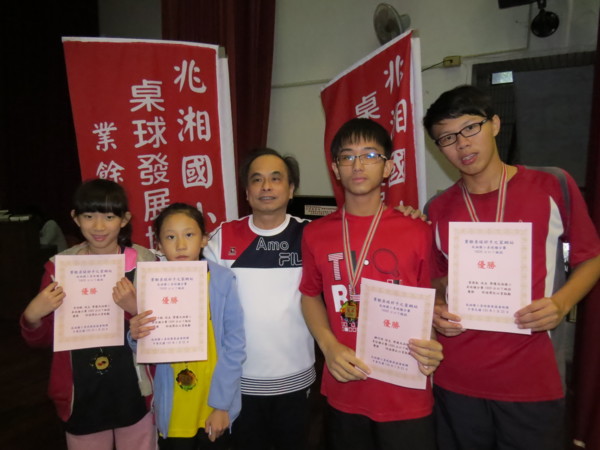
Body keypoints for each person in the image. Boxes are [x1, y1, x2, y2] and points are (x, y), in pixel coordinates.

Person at [423, 84, 600, 450]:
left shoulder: (552, 184)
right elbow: (436, 279)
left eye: (470, 128)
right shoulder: (437, 208)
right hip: (457, 380)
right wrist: (437, 308)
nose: (462, 144)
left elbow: (591, 258)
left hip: (532, 378)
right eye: (447, 138)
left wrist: (561, 303)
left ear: (495, 124)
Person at [299, 118, 443, 450]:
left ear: (388, 167)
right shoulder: (315, 233)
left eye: (370, 155)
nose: (358, 164)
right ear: (335, 169)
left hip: (405, 388)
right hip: (345, 385)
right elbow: (309, 295)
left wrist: (433, 344)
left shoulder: (418, 230)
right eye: (347, 156)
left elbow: (430, 299)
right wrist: (328, 346)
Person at [20, 178, 157, 450]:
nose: (98, 226)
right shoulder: (58, 269)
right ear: (75, 218)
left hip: (134, 389)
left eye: (109, 217)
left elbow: (164, 333)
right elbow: (44, 339)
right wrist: (32, 318)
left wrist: (134, 309)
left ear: (124, 219)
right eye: (89, 216)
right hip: (81, 393)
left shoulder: (144, 263)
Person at [203, 148, 315, 450]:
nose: (266, 186)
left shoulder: (310, 235)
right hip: (238, 381)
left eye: (276, 179)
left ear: (291, 189)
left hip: (295, 379)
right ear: (247, 192)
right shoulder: (223, 238)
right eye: (257, 179)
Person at [128, 203, 246, 449]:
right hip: (174, 406)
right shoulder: (153, 282)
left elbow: (234, 347)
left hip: (212, 403)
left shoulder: (222, 280)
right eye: (170, 237)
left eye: (189, 235)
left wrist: (222, 405)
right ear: (159, 245)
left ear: (204, 239)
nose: (181, 245)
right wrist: (136, 335)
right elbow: (144, 343)